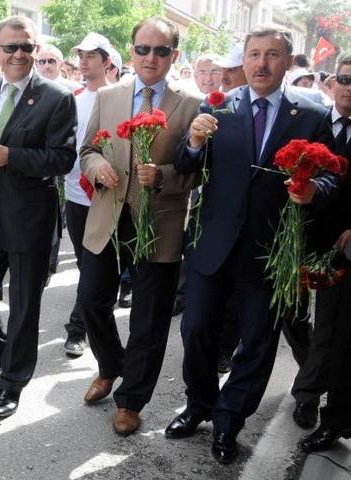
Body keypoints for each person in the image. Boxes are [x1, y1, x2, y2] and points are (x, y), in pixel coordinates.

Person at [166, 25, 334, 464]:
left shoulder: (312, 114)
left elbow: (335, 173)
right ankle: (199, 404)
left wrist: (314, 188)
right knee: (196, 328)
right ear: (243, 60)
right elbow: (186, 163)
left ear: (289, 62)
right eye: (254, 54)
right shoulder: (218, 106)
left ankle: (228, 420)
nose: (261, 63)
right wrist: (195, 140)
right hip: (213, 242)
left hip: (271, 249)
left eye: (272, 55)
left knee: (257, 344)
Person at [78, 16, 202, 435]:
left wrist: (164, 175)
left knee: (148, 317)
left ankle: (132, 399)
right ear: (130, 52)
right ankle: (110, 365)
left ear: (174, 55)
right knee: (93, 299)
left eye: (161, 50)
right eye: (143, 49)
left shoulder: (191, 103)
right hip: (109, 216)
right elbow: (88, 148)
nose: (151, 57)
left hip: (160, 222)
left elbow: (199, 168)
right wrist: (97, 167)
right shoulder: (109, 95)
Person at [0, 15, 77, 418]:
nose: (19, 55)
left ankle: (13, 381)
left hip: (30, 217)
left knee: (24, 306)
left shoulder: (57, 97)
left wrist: (13, 157)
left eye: (27, 47)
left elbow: (62, 158)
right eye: (11, 48)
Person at [295, 56, 351, 440]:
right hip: (298, 237)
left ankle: (314, 397)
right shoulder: (310, 119)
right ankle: (311, 375)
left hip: (343, 244)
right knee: (289, 314)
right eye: (346, 79)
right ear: (332, 82)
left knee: (333, 326)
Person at [59, 32, 115, 358]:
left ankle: (78, 328)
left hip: (106, 195)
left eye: (92, 56)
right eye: (81, 55)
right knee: (85, 264)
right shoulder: (74, 96)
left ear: (107, 62)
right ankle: (91, 316)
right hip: (75, 193)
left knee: (94, 266)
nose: (84, 61)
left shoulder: (118, 97)